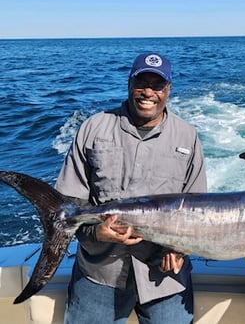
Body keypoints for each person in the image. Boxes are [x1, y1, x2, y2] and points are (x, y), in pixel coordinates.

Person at [56, 52, 207, 324]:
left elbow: (197, 211)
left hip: (165, 279)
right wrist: (97, 233)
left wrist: (178, 249)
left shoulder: (187, 136)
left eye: (157, 85)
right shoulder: (94, 128)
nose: (148, 92)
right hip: (100, 274)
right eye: (141, 83)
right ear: (129, 83)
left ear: (168, 90)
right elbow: (69, 204)